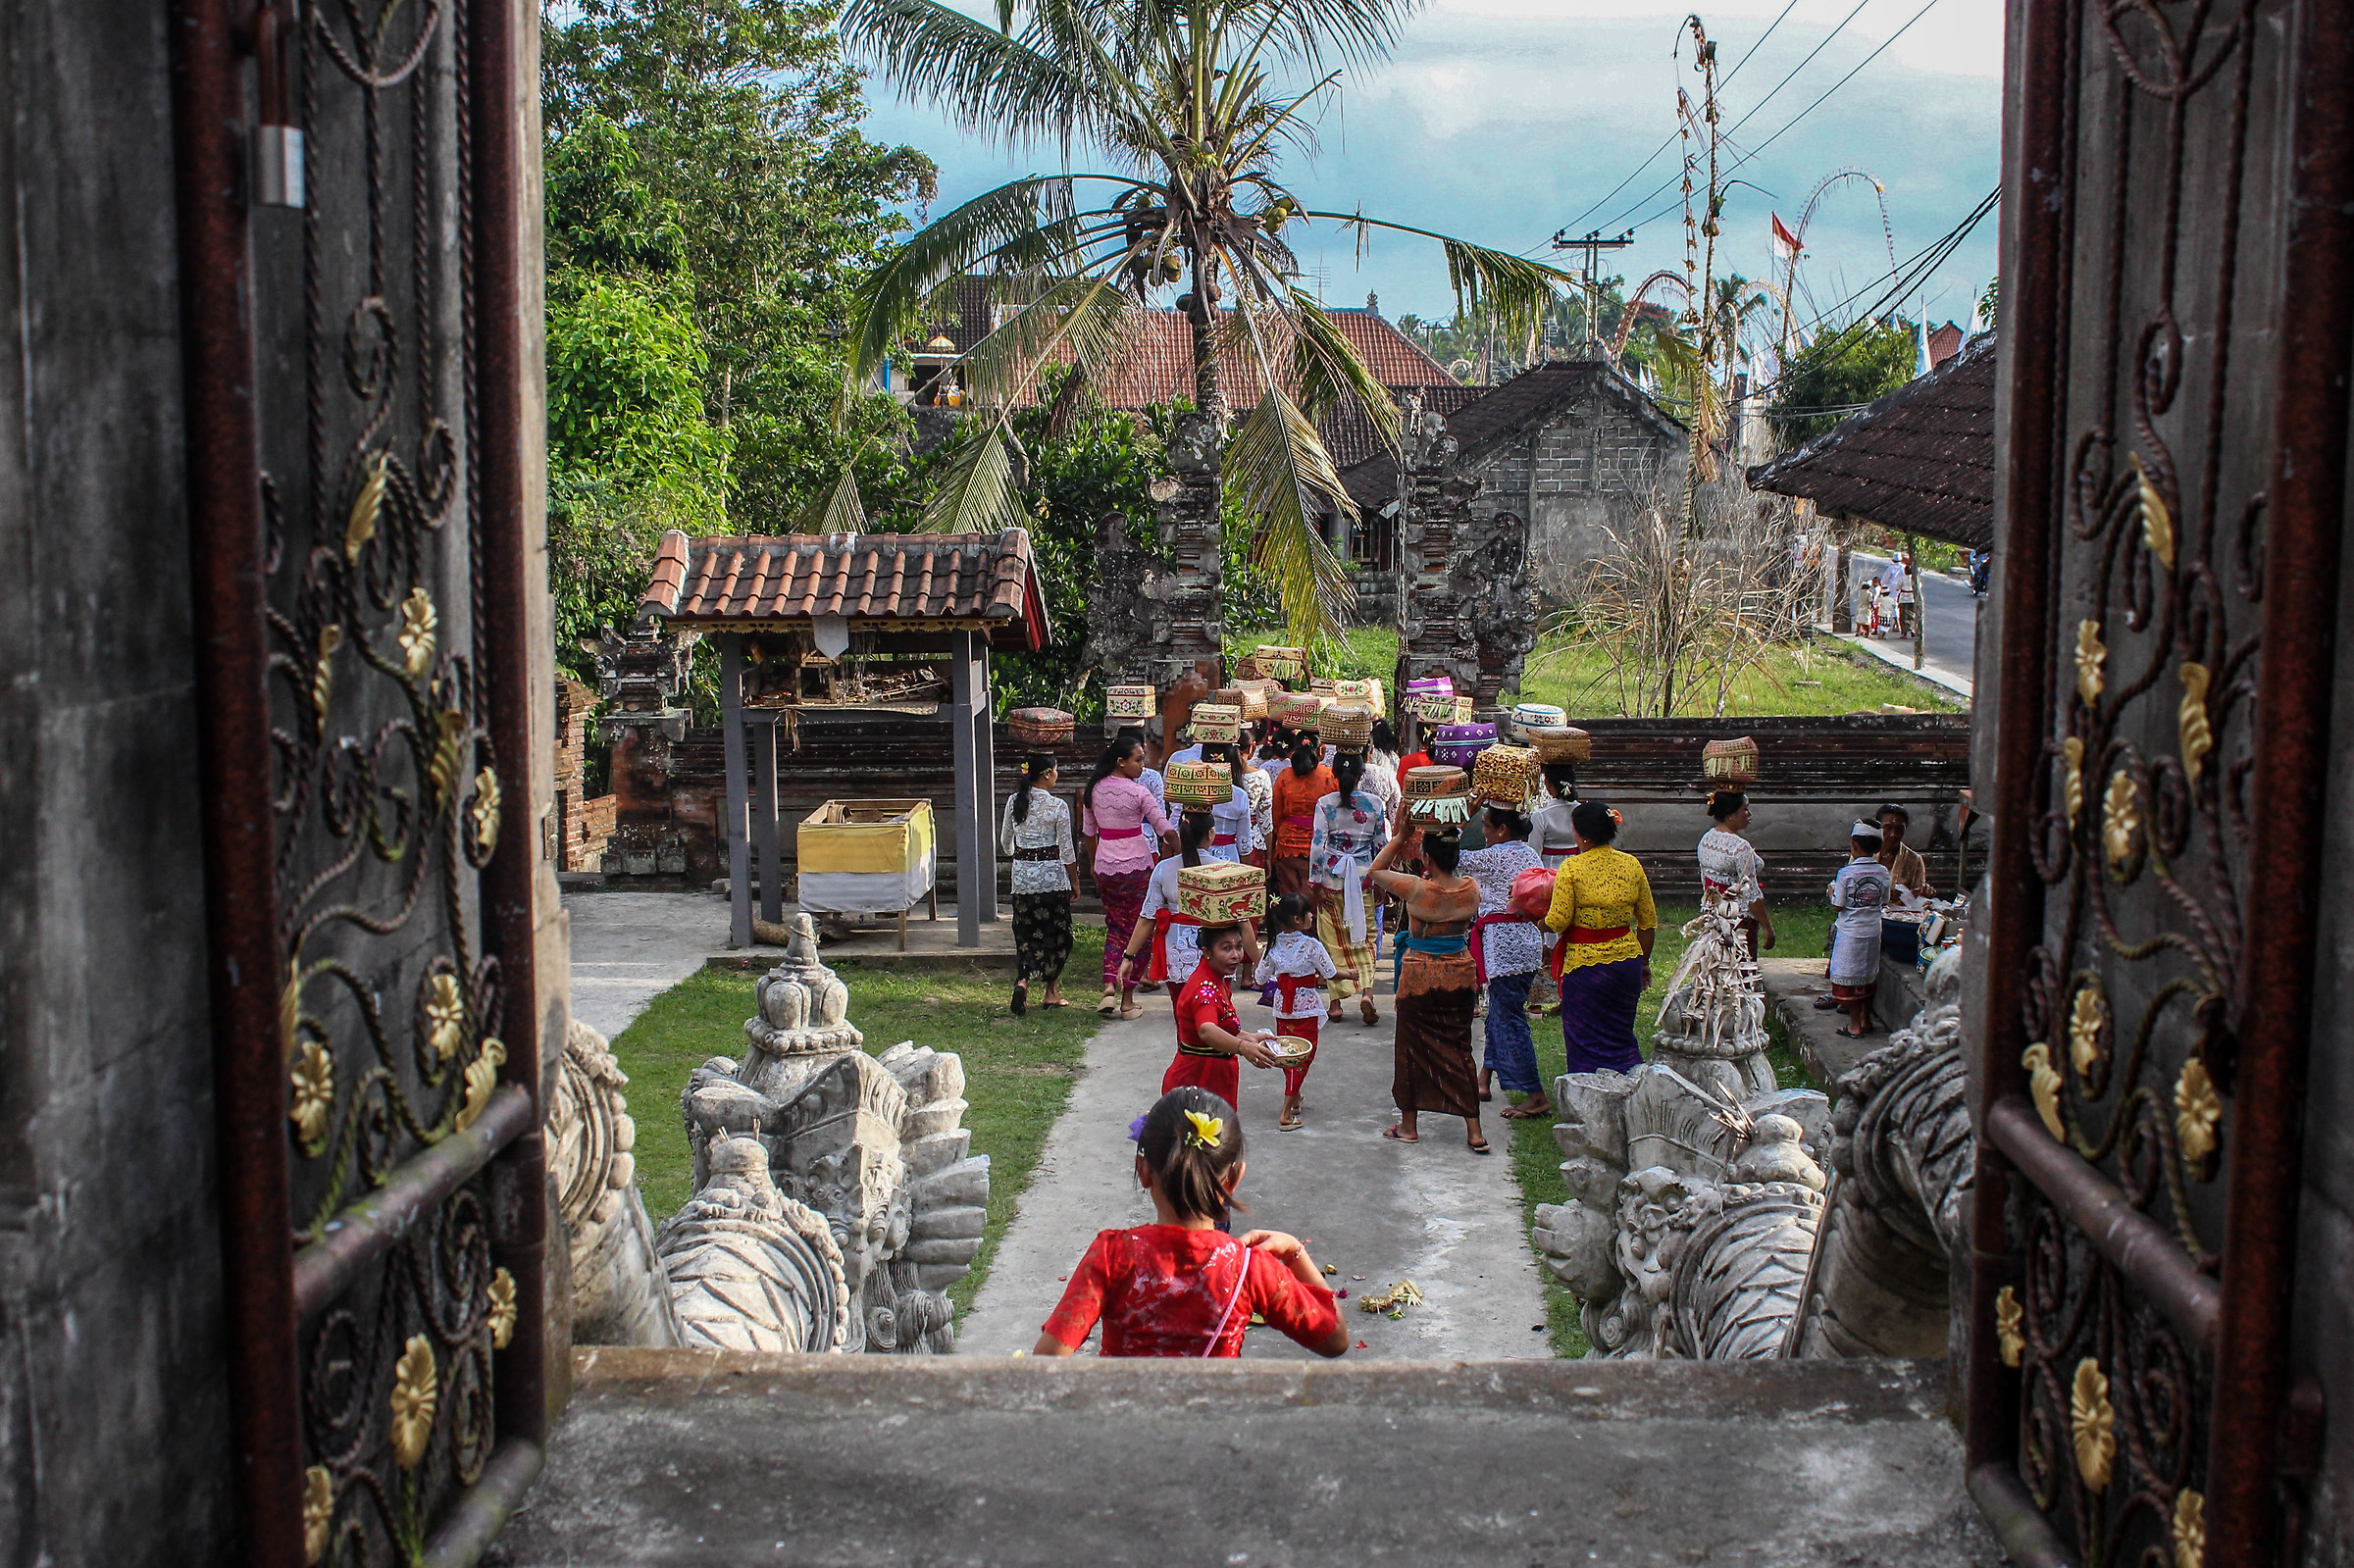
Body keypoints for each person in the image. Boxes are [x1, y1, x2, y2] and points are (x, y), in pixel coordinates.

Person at [1032, 1087, 1348, 1358]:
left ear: (1143, 1170)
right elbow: (1334, 1340)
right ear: (1234, 1179)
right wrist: (1294, 1252)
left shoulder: (1113, 1255)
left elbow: (1048, 1359)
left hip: (1124, 1412)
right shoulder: (1248, 1268)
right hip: (1213, 1414)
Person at [1368, 822, 1490, 1153]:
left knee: (1410, 1051)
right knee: (1460, 1050)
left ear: (1427, 858)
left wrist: (1401, 837)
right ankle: (1475, 1131)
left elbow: (1376, 870)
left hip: (1419, 978)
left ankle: (1409, 1127)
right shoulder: (1471, 889)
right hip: (1460, 976)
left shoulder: (1417, 889)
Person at [1540, 801, 1658, 1075]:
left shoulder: (1572, 868)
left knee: (1584, 1039)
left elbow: (1558, 920)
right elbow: (1647, 923)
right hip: (1626, 964)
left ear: (1583, 835)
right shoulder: (1631, 865)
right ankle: (1630, 1084)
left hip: (1586, 967)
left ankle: (1587, 1090)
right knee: (1621, 1034)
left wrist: (1538, 921)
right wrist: (1643, 964)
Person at [1459, 805, 1547, 1117]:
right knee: (1498, 1013)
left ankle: (1535, 1094)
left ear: (1502, 830)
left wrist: (1458, 820)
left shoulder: (1495, 855)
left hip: (1504, 946)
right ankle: (1484, 1079)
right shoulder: (1530, 854)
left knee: (1509, 1020)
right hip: (1527, 943)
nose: (1483, 832)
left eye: (1486, 826)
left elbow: (1450, 858)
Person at [1082, 735, 1173, 1015]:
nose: (1142, 766)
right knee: (1141, 929)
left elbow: (1089, 834)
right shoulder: (1138, 793)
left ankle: (1110, 984)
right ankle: (1127, 998)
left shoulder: (1093, 790)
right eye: (1138, 760)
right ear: (1121, 762)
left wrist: (1094, 865)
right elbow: (1164, 828)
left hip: (1106, 866)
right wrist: (1184, 854)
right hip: (1137, 867)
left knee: (1115, 926)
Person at [1160, 924, 1280, 1107]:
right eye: (1226, 948)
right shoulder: (1205, 989)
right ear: (1207, 952)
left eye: (1239, 946)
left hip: (1213, 1077)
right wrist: (1242, 1047)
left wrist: (1248, 1038)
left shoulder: (1217, 979)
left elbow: (1221, 1025)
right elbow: (1207, 1030)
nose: (1236, 955)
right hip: (1199, 1080)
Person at [1306, 752, 1386, 1027]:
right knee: (1366, 936)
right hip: (1364, 877)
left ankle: (1336, 1003)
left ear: (1334, 774)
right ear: (1362, 774)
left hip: (1332, 878)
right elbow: (1381, 846)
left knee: (1332, 939)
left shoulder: (1325, 804)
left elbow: (1317, 845)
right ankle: (1367, 993)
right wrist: (1383, 882)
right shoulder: (1375, 804)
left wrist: (1315, 882)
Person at [1254, 895, 1343, 1131]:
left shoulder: (1272, 946)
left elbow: (1259, 978)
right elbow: (1330, 972)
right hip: (1306, 1007)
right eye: (1309, 913)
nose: (1312, 916)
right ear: (1297, 919)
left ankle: (1295, 1098)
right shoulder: (1311, 945)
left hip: (1283, 1008)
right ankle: (1285, 1112)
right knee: (1302, 1055)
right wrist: (1350, 975)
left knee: (1287, 1053)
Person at [999, 752, 1079, 1016]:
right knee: (1058, 935)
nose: (1057, 774)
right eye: (1056, 770)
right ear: (1046, 774)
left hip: (1022, 879)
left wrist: (1019, 856)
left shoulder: (1014, 801)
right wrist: (1075, 881)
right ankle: (1050, 992)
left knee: (1024, 934)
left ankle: (1022, 981)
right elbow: (1067, 850)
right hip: (1053, 879)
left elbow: (1005, 842)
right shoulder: (1057, 806)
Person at [1827, 822, 1892, 1037]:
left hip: (1850, 933)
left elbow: (1838, 905)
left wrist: (1831, 893)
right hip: (1873, 931)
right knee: (1868, 976)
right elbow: (1885, 900)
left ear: (1854, 845)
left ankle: (1854, 1025)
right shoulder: (1882, 872)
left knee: (1851, 977)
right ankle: (1866, 1020)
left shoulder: (1846, 873)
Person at [1697, 790, 1776, 956]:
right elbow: (1751, 894)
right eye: (1745, 809)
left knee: (1716, 964)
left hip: (1713, 917)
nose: (1749, 814)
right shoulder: (1740, 847)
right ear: (1730, 814)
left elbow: (1705, 882)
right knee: (1739, 966)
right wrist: (1767, 927)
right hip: (1738, 921)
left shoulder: (1706, 840)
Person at [1269, 741, 1336, 901]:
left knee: (1290, 897)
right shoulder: (1329, 776)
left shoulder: (1285, 775)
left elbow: (1276, 816)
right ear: (1320, 750)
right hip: (1321, 845)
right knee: (1317, 899)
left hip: (1288, 845)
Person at [1202, 743, 1258, 863]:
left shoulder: (1192, 790)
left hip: (1197, 857)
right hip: (1228, 857)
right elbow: (1244, 842)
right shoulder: (1239, 795)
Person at [1875, 802, 1934, 900]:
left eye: (1899, 829)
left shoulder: (1914, 860)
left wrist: (1919, 894)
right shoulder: (1864, 853)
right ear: (1878, 828)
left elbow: (1919, 899)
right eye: (1888, 827)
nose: (1893, 834)